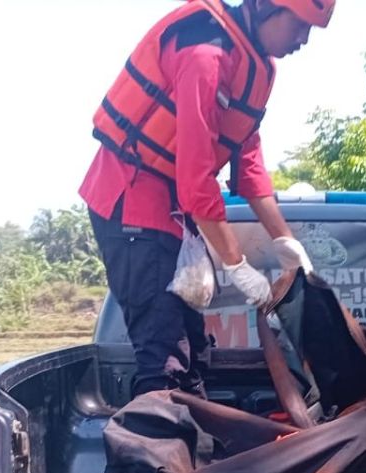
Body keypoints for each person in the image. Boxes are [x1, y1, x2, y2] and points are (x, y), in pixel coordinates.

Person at [80, 0, 336, 399]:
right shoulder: (206, 54)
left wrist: (288, 244)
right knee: (164, 358)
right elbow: (196, 179)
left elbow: (248, 164)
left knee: (194, 354)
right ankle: (155, 459)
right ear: (269, 7)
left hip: (175, 216)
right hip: (132, 203)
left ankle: (196, 454)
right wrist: (237, 265)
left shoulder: (254, 66)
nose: (303, 40)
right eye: (300, 26)